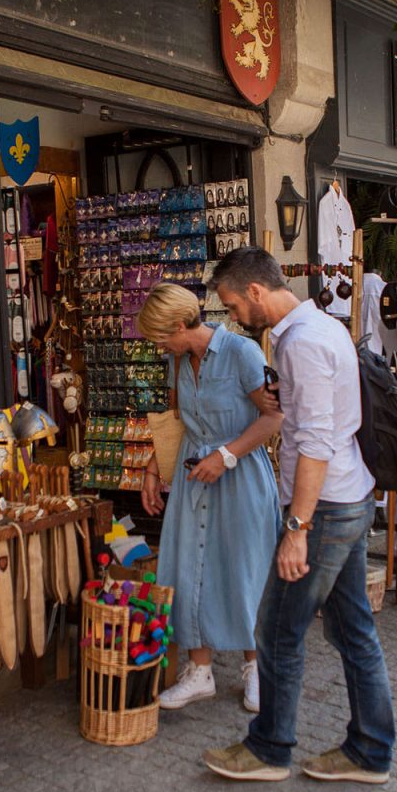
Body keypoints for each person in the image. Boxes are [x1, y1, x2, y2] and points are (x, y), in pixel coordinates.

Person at [200, 246, 393, 784]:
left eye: (234, 306)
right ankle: (370, 750)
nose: (235, 318)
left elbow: (314, 445)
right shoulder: (320, 329)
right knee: (354, 631)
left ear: (256, 292)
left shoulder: (304, 343)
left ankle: (269, 748)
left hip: (326, 507)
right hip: (348, 496)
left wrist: (297, 530)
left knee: (279, 630)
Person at [135, 284, 282, 713]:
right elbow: (178, 419)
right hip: (191, 475)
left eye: (162, 337)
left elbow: (274, 416)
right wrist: (151, 468)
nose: (158, 345)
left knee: (245, 568)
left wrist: (226, 455)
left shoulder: (242, 353)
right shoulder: (179, 359)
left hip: (240, 475)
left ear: (181, 325)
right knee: (189, 567)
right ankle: (199, 671)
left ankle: (256, 670)